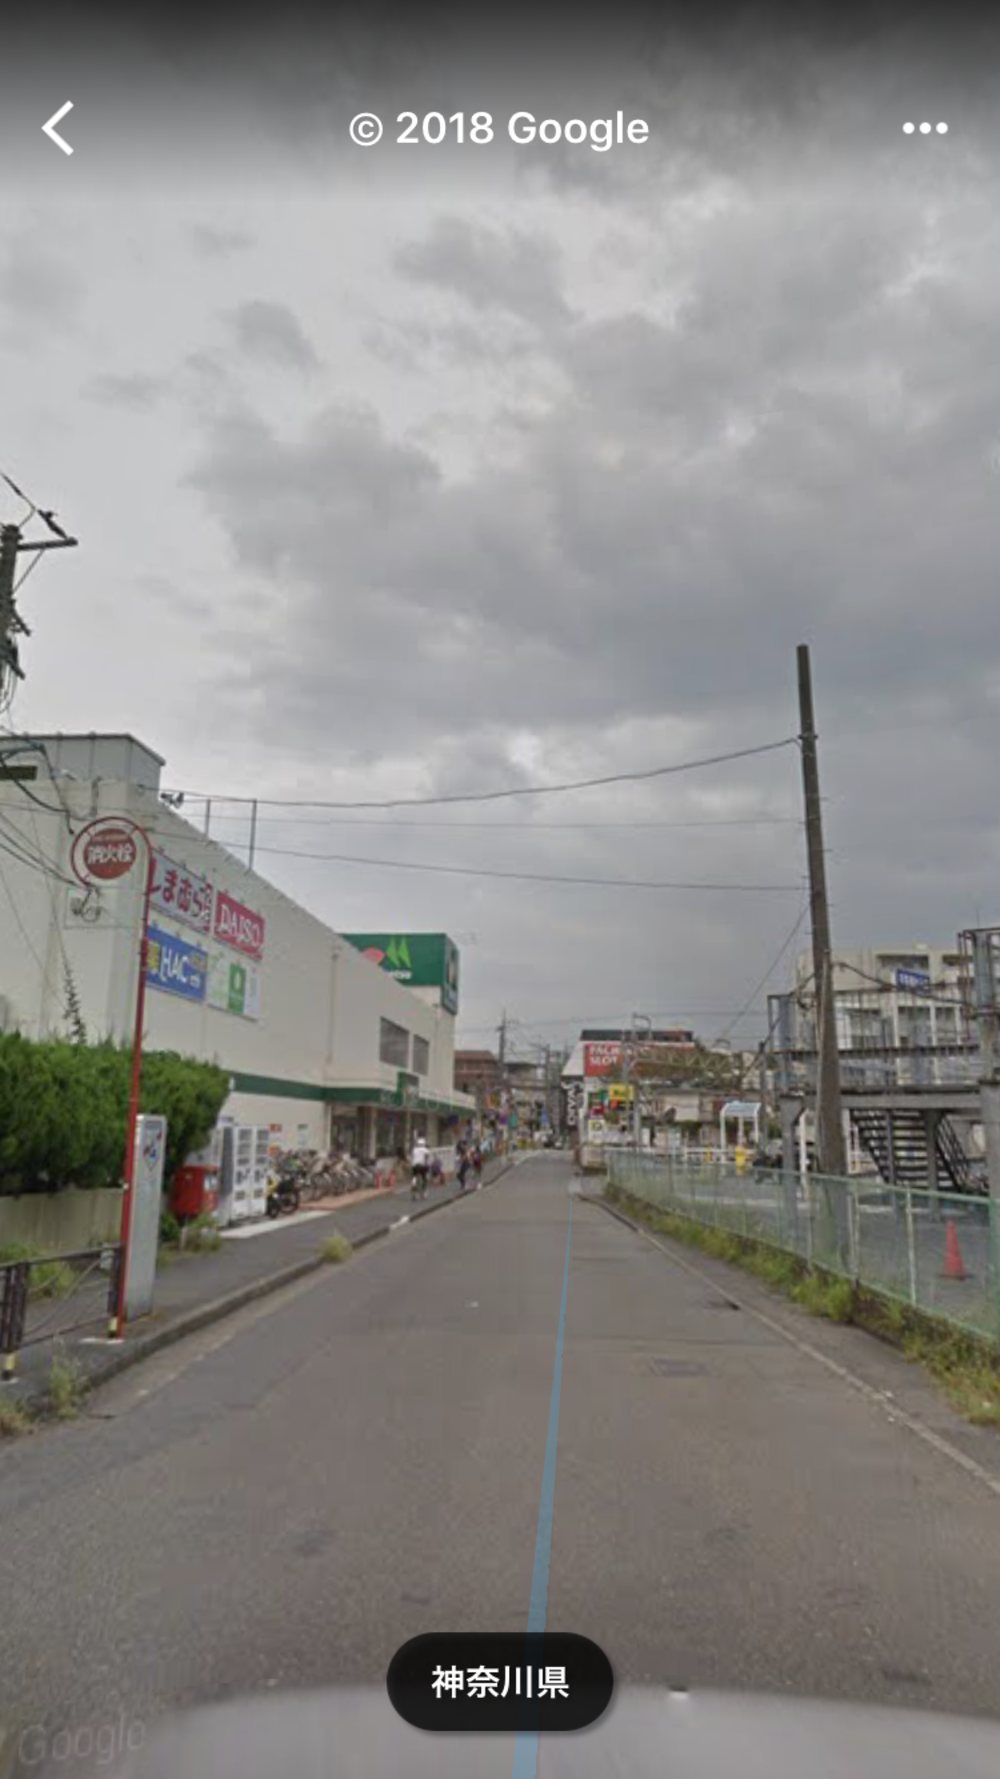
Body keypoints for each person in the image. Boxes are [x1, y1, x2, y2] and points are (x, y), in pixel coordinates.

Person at [411, 1134, 430, 1199]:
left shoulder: (414, 1149)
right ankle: (424, 1193)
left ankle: (414, 1190)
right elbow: (427, 1158)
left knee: (414, 1177)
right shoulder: (425, 1149)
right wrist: (427, 1165)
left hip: (415, 1166)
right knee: (425, 1178)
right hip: (422, 1166)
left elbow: (413, 1157)